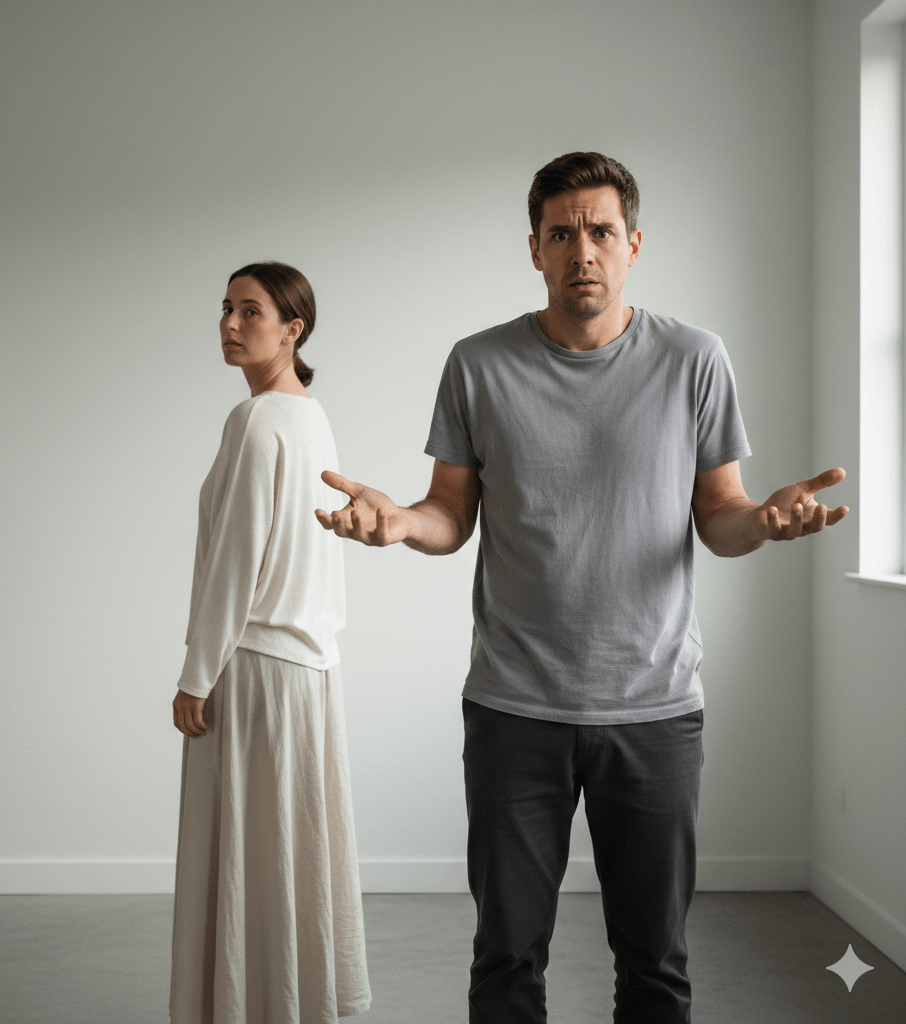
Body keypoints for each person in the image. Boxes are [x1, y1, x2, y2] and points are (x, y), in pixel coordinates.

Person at [314, 153, 848, 1024]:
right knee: (507, 960)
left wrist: (766, 520)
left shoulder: (694, 360)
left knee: (655, 965)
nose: (582, 250)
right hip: (514, 709)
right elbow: (450, 513)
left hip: (656, 708)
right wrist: (401, 523)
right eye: (561, 234)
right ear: (534, 249)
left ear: (632, 243)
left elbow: (720, 515)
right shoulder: (478, 364)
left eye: (600, 231)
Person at [169, 262, 371, 1024]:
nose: (229, 324)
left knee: (248, 853)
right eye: (225, 309)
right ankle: (287, 1002)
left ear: (294, 330)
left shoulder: (255, 422)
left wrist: (196, 672)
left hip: (252, 668)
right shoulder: (309, 416)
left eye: (250, 312)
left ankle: (244, 1007)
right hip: (310, 670)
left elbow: (236, 560)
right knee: (290, 854)